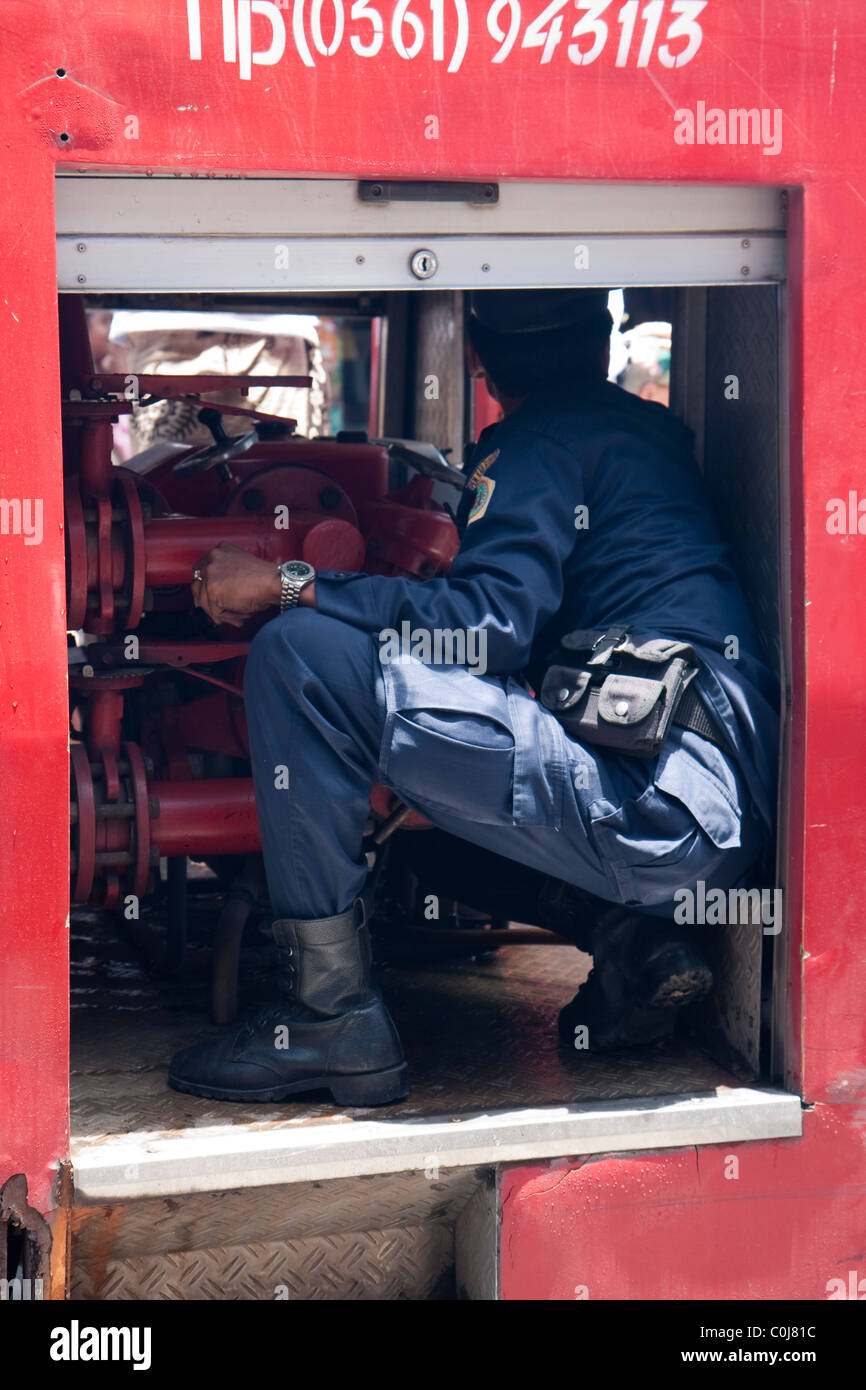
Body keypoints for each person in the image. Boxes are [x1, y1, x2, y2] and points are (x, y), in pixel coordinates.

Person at [168, 288, 778, 1107]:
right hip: (716, 807)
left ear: (481, 365)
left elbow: (487, 629)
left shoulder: (533, 445)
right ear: (601, 344)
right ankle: (631, 938)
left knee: (299, 656)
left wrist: (292, 585)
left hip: (652, 804)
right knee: (420, 843)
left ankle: (328, 1017)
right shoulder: (645, 431)